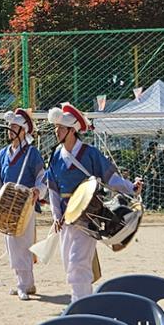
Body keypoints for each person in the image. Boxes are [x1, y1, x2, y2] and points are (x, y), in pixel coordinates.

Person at [45, 103, 142, 301]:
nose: (56, 131)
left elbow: (110, 177)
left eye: (61, 128)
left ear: (72, 131)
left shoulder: (90, 153)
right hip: (65, 216)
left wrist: (131, 187)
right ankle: (83, 299)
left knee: (77, 261)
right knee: (68, 262)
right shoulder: (55, 155)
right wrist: (55, 215)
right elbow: (53, 188)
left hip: (88, 214)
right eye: (56, 127)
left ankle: (79, 303)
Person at [0, 108, 47, 300]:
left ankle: (25, 284)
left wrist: (38, 191)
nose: (10, 130)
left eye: (14, 127)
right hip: (6, 205)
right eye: (9, 127)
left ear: (23, 131)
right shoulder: (3, 153)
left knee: (23, 242)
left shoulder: (32, 153)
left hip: (25, 204)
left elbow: (41, 178)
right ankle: (24, 283)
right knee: (11, 243)